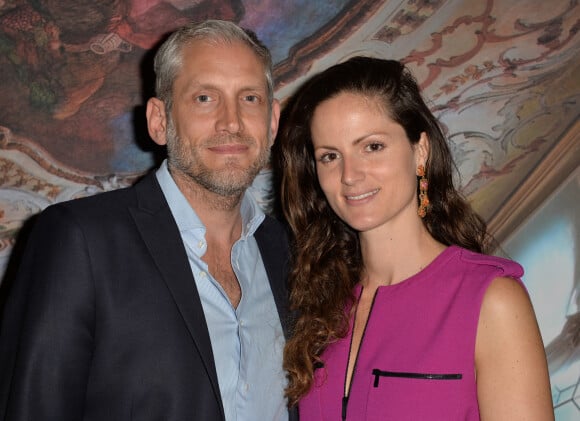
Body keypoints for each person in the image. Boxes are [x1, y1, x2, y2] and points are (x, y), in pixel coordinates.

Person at [0, 20, 296, 421]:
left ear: (272, 122)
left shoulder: (291, 254)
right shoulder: (81, 240)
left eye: (249, 98)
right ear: (160, 121)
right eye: (205, 97)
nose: (232, 121)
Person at [275, 56, 554, 420]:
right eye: (330, 156)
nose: (349, 175)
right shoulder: (318, 310)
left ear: (419, 150)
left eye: (372, 147)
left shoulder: (490, 299)